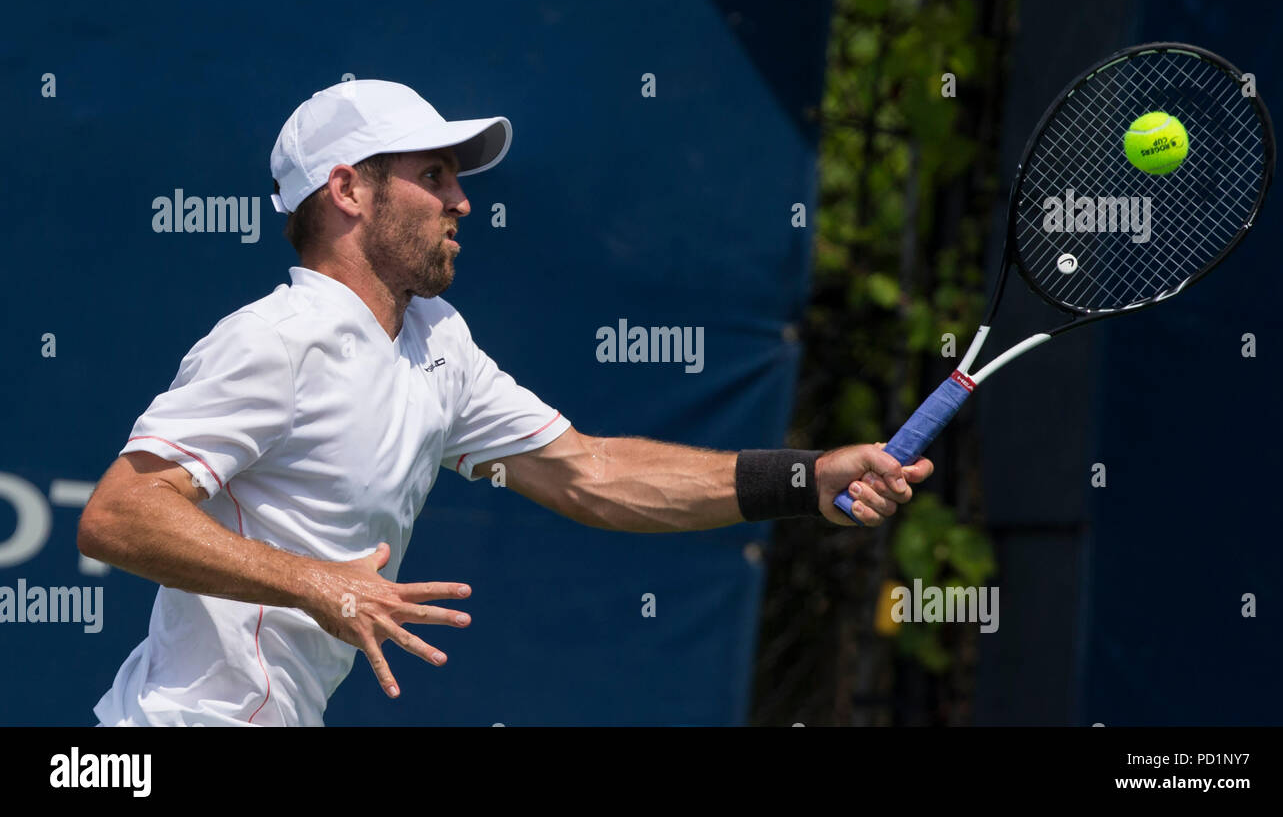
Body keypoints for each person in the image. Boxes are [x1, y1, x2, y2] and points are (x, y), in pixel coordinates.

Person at [78, 80, 934, 726]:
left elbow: (591, 474)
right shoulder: (278, 337)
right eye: (434, 175)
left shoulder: (437, 341)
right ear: (348, 190)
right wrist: (317, 585)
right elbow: (120, 514)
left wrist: (806, 476)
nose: (461, 200)